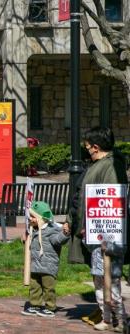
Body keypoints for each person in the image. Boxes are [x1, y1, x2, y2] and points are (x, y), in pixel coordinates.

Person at [72, 127, 128, 331]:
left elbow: (111, 201)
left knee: (110, 278)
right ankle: (107, 316)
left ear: (96, 147)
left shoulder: (111, 166)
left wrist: (100, 230)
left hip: (108, 235)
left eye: (88, 147)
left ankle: (118, 319)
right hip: (96, 232)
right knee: (98, 276)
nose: (86, 151)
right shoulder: (99, 165)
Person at [21, 201, 70, 318]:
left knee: (48, 288)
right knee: (35, 287)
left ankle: (50, 307)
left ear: (40, 218)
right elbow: (31, 245)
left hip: (48, 266)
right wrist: (24, 239)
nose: (30, 219)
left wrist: (64, 233)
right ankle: (35, 304)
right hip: (35, 264)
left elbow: (58, 240)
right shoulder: (34, 229)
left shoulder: (51, 230)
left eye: (32, 217)